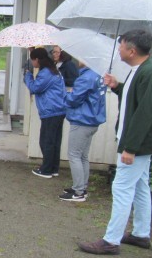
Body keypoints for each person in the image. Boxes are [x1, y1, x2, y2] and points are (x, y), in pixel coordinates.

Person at [78, 29, 152, 255]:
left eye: (121, 45)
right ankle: (141, 234)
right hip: (137, 142)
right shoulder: (142, 70)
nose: (118, 49)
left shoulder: (151, 74)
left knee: (122, 187)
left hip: (138, 144)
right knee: (140, 186)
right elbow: (134, 100)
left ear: (132, 50)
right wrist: (117, 86)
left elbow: (146, 113)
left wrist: (131, 148)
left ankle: (111, 240)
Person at [59, 61, 107, 202]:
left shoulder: (86, 78)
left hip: (82, 120)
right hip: (92, 120)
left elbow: (73, 100)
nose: (78, 61)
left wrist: (66, 93)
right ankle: (81, 188)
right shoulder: (98, 75)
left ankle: (78, 191)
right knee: (82, 156)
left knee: (74, 155)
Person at [23, 47, 66, 179]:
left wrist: (28, 76)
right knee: (55, 141)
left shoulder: (46, 73)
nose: (32, 63)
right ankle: (53, 168)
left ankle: (46, 170)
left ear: (37, 59)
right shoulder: (53, 70)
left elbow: (35, 87)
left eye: (32, 60)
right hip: (59, 110)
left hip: (51, 111)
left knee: (46, 141)